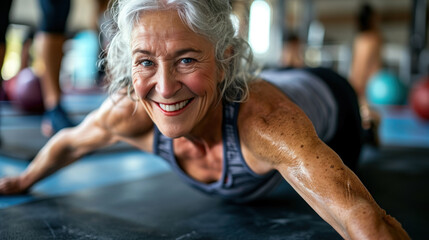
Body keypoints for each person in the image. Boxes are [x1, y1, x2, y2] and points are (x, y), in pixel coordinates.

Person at [0, 1, 409, 239]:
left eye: (186, 59)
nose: (163, 87)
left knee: (357, 132)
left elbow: (364, 220)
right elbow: (71, 141)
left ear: (225, 58)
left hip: (331, 100)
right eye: (146, 61)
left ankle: (367, 123)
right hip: (273, 83)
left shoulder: (265, 126)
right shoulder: (129, 112)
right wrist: (23, 180)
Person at [349, 3, 382, 137]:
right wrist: (357, 86)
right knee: (368, 116)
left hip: (372, 86)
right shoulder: (370, 39)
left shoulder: (365, 39)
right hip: (368, 86)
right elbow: (360, 67)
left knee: (369, 117)